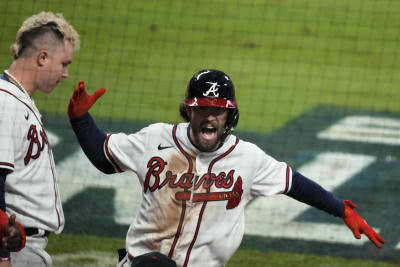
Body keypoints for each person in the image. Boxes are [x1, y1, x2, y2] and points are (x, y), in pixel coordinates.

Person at [67, 69, 385, 267]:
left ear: (229, 116)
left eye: (218, 111)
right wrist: (81, 121)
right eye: (202, 109)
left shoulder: (247, 157)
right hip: (143, 262)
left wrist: (341, 211)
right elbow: (105, 158)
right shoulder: (156, 138)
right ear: (189, 112)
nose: (209, 117)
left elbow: (294, 183)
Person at [0, 11, 80, 266]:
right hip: (14, 246)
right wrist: (2, 255)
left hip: (24, 246)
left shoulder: (19, 99)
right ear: (43, 57)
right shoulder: (5, 103)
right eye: (64, 63)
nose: (65, 73)